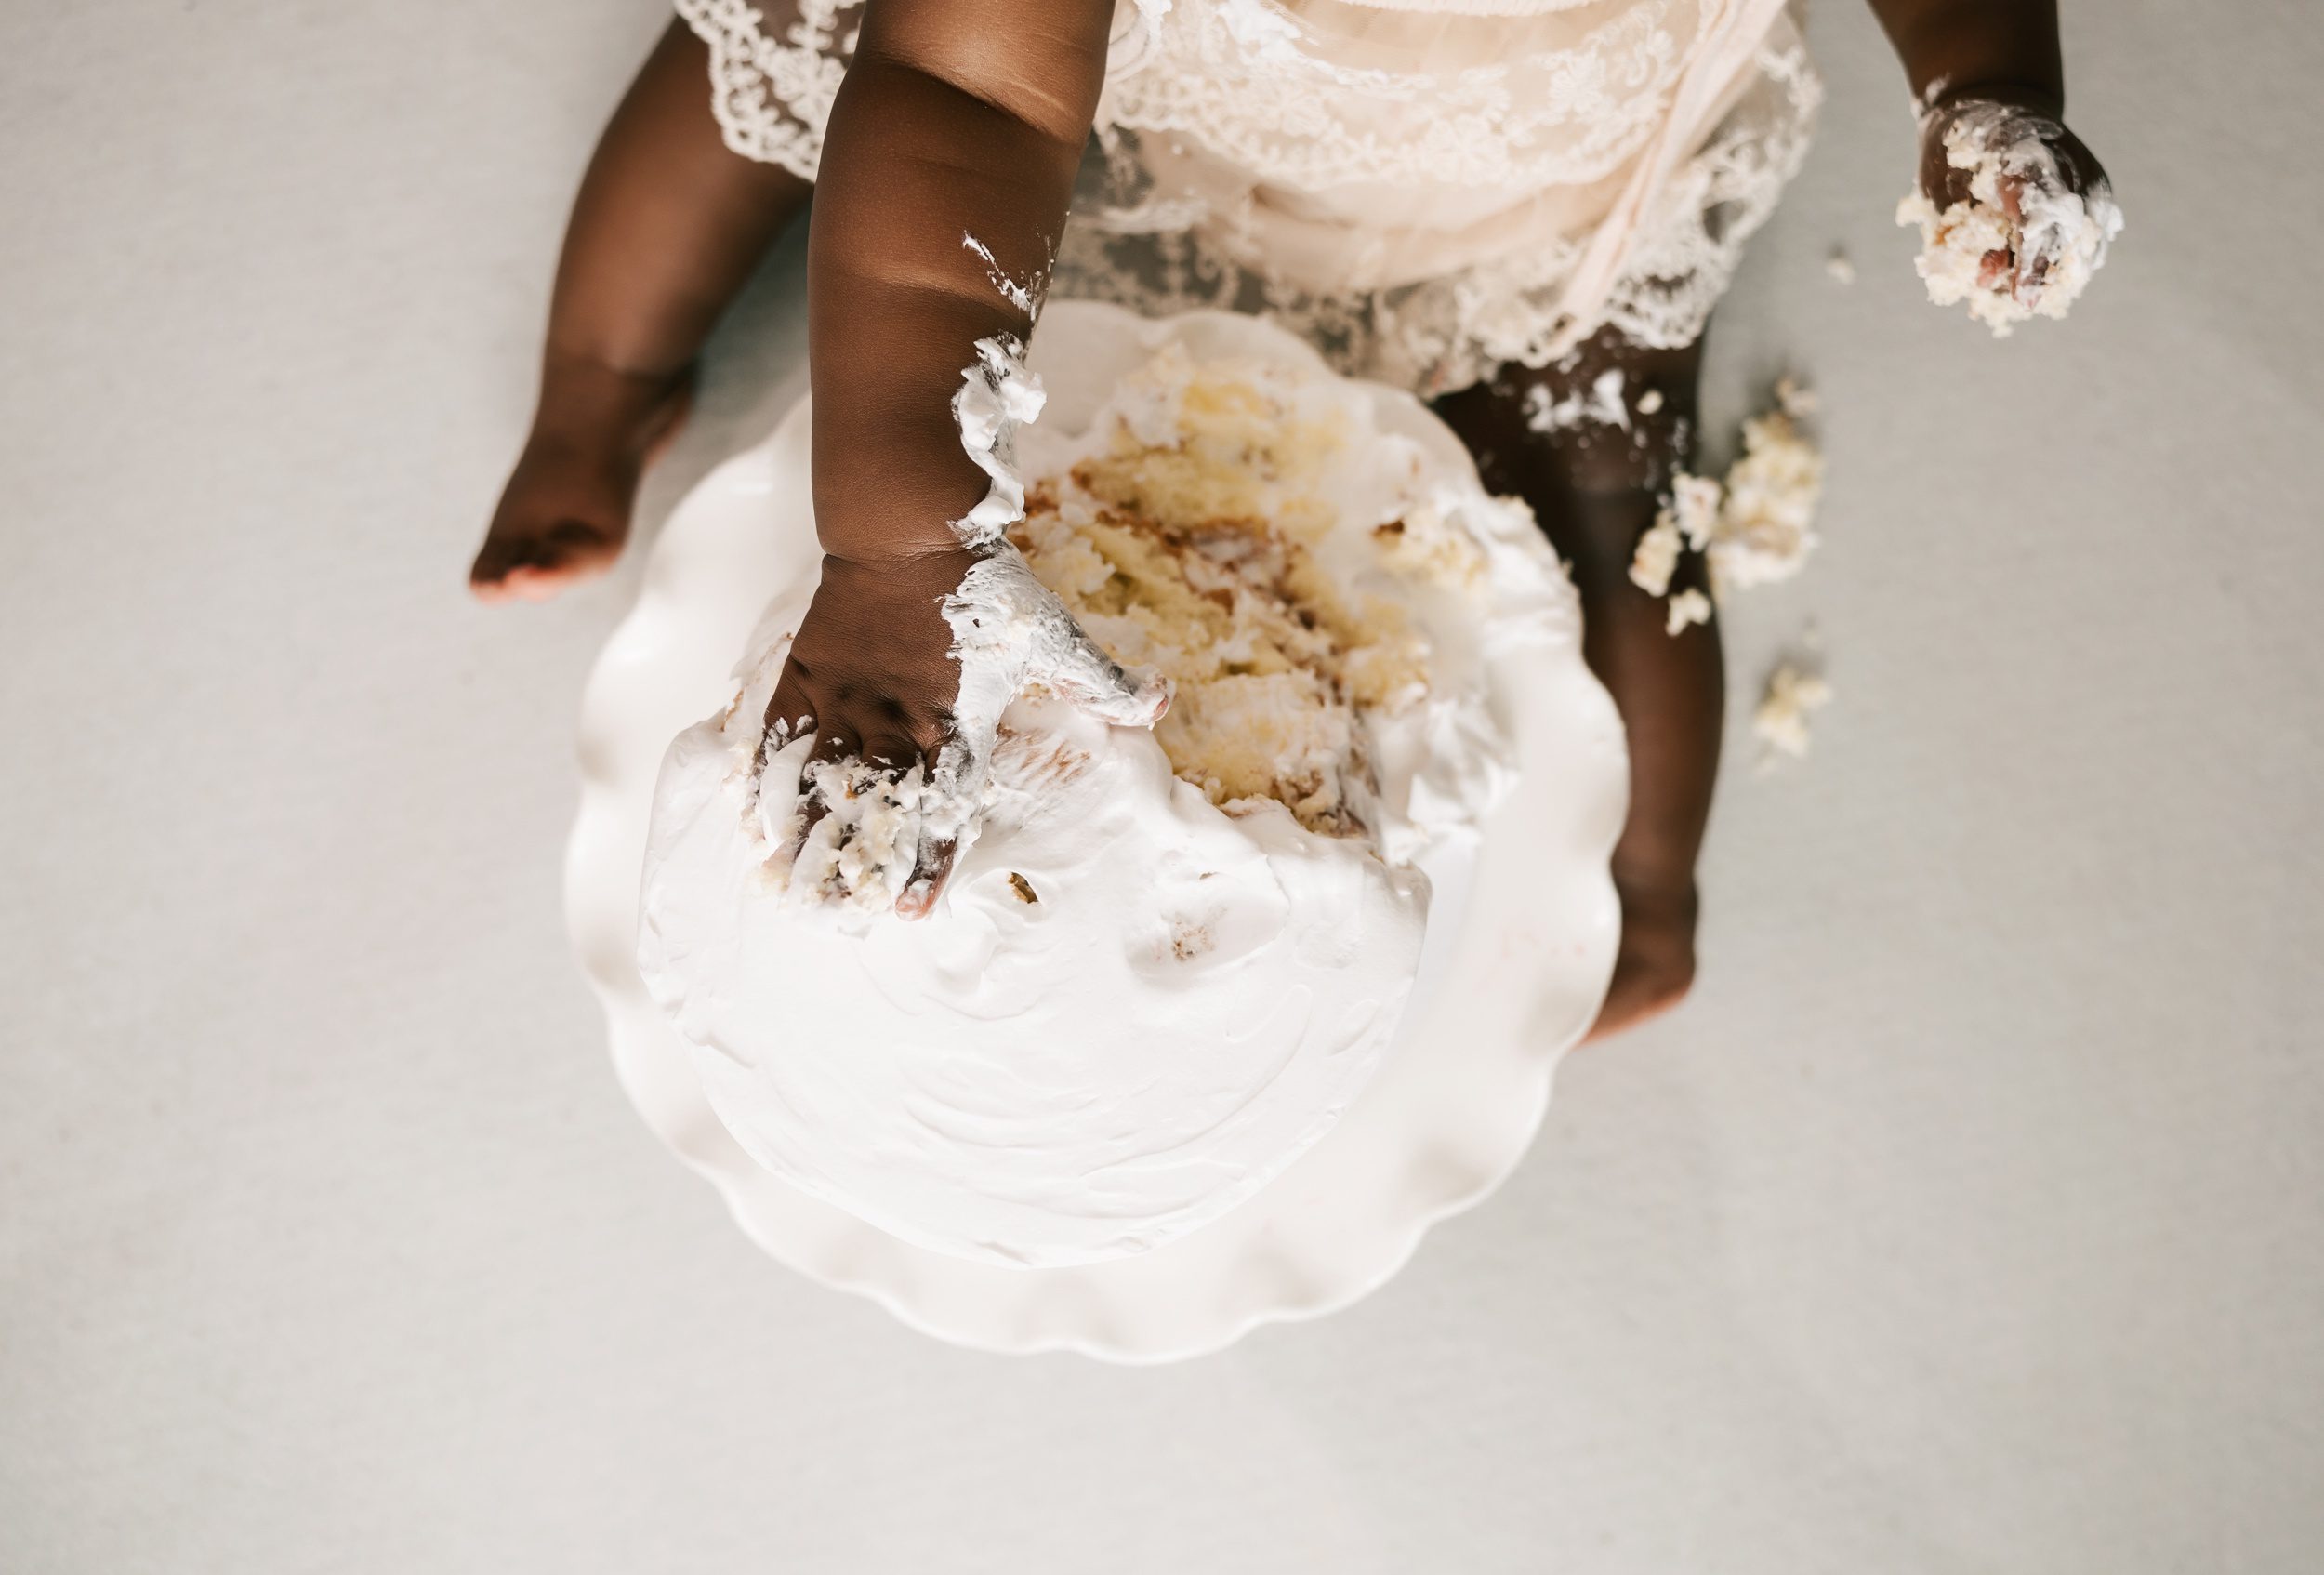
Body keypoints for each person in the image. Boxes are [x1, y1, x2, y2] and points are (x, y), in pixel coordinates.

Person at [469, 0, 2112, 1038]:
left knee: (1610, 458)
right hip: (1125, 66)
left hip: (1537, 154)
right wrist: (899, 548)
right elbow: (970, 95)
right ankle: (604, 379)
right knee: (759, 67)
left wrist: (1983, 79)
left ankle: (1644, 883)